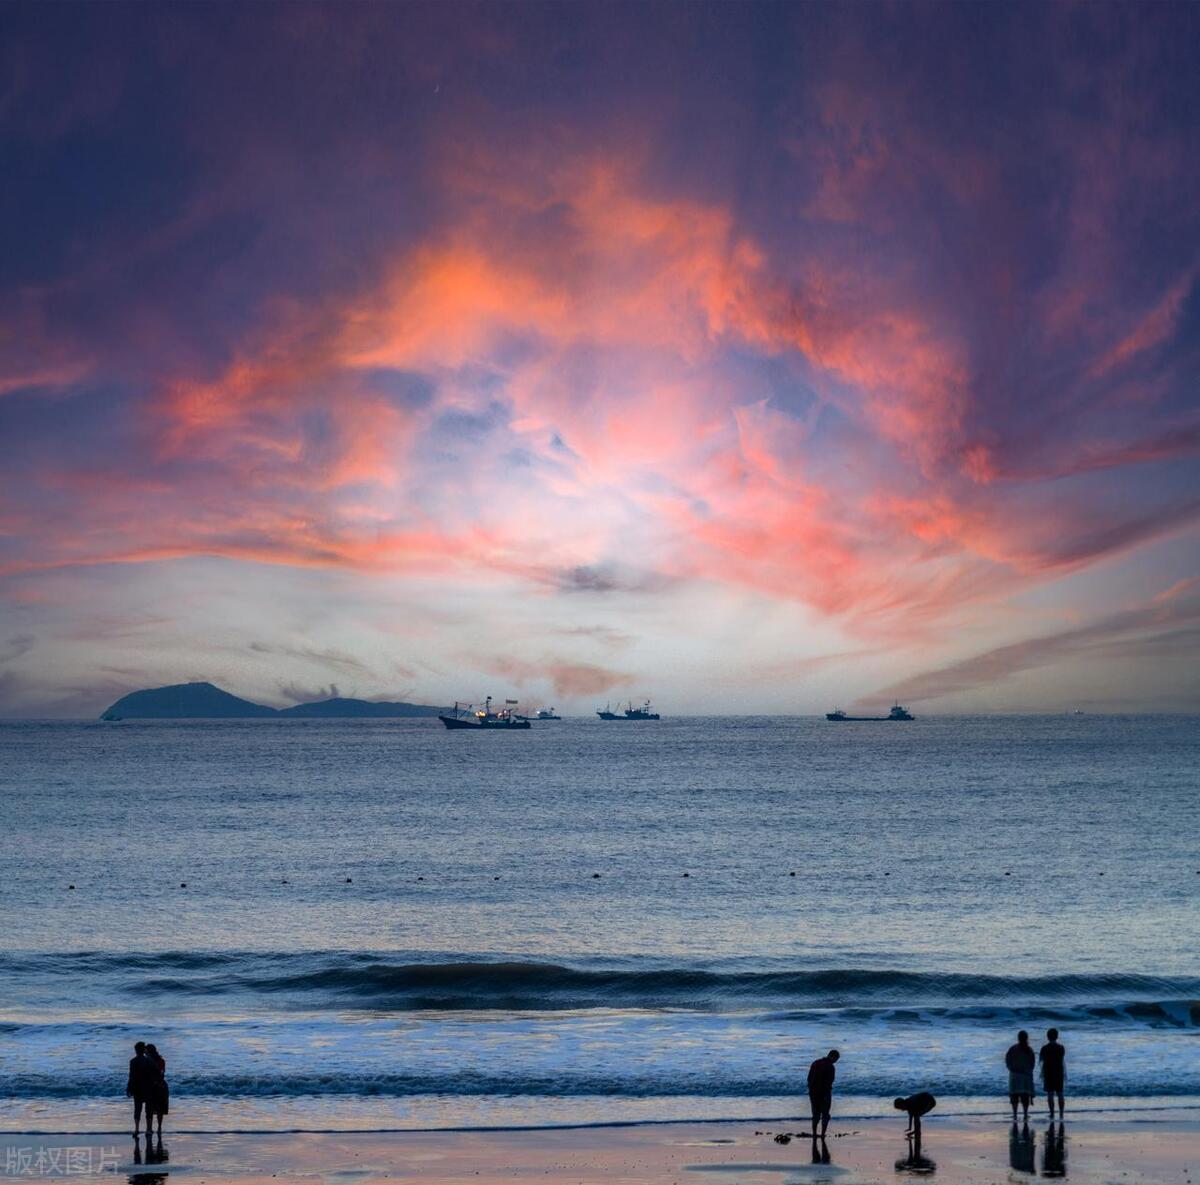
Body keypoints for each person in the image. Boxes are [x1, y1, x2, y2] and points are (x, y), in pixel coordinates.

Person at [125, 1042, 158, 1137]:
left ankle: (136, 1130)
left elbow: (131, 1077)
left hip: (137, 1088)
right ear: (144, 1050)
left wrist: (129, 1088)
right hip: (148, 1087)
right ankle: (149, 1129)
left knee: (137, 1109)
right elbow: (156, 1071)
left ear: (136, 1050)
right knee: (149, 1109)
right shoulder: (149, 1060)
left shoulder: (133, 1061)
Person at [806, 1049, 839, 1138]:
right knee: (825, 1115)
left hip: (813, 1093)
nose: (835, 1062)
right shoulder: (830, 1067)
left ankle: (814, 1133)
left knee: (815, 1114)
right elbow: (829, 1082)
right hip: (825, 1093)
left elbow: (809, 1079)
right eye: (836, 1060)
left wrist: (810, 1090)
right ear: (833, 1057)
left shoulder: (815, 1063)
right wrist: (825, 1094)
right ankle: (822, 1134)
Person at [1005, 1030, 1036, 1123]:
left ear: (1018, 1038)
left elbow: (1007, 1061)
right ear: (1027, 1038)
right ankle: (1025, 1114)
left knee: (1014, 1096)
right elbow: (1032, 1064)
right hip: (1025, 1076)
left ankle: (1015, 1114)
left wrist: (1011, 1069)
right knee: (1025, 1096)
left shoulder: (1012, 1048)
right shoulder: (1029, 1050)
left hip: (1014, 1075)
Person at [1039, 1028, 1066, 1118]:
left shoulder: (1044, 1048)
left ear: (1047, 1037)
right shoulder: (1061, 1048)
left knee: (1050, 1094)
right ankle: (1061, 1113)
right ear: (1057, 1037)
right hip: (1059, 1072)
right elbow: (1062, 1059)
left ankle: (1052, 1113)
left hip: (1048, 1072)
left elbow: (1041, 1060)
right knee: (1060, 1093)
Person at [143, 1043, 169, 1136]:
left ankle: (150, 1128)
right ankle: (158, 1128)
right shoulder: (161, 1060)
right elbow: (162, 1073)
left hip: (154, 1086)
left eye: (146, 1051)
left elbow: (159, 1072)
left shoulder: (147, 1061)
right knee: (159, 1109)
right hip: (161, 1085)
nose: (144, 1053)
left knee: (150, 1108)